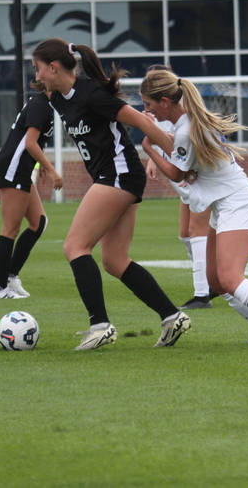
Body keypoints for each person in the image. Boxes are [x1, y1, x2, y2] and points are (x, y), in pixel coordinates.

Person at [31, 38, 191, 350]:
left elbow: (143, 121)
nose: (35, 76)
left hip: (117, 175)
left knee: (75, 246)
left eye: (38, 68)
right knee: (115, 261)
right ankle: (171, 316)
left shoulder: (92, 94)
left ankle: (100, 325)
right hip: (118, 177)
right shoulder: (57, 96)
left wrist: (180, 156)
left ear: (53, 67)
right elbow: (38, 106)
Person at [139, 70, 248, 348]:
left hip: (238, 202)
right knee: (216, 281)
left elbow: (177, 173)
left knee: (230, 277)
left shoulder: (185, 127)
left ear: (166, 102)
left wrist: (148, 146)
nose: (147, 110)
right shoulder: (186, 123)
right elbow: (178, 149)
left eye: (149, 104)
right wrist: (156, 137)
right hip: (226, 202)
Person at [143, 64, 216, 310]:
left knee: (197, 232)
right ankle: (210, 280)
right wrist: (153, 157)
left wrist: (150, 151)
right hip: (186, 178)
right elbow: (171, 142)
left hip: (201, 181)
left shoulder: (181, 111)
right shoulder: (160, 111)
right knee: (185, 234)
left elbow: (178, 158)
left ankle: (203, 294)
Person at [0, 82, 63, 299]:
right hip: (14, 168)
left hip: (22, 168)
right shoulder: (40, 105)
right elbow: (30, 143)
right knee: (10, 229)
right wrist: (51, 170)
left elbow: (32, 144)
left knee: (39, 223)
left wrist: (38, 165)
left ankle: (11, 276)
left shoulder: (47, 106)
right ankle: (0, 289)